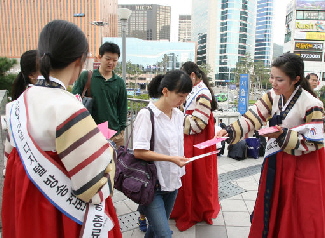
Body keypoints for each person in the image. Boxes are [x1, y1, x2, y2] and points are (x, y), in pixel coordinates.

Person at [2, 20, 121, 238]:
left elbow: (11, 161)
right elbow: (93, 186)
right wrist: (109, 150)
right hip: (58, 216)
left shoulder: (16, 105)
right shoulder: (69, 109)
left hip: (25, 207)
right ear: (79, 60)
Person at [217, 53, 325, 238]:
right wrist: (230, 130)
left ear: (296, 79)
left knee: (297, 209)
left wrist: (282, 134)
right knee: (272, 203)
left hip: (301, 165)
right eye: (272, 77)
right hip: (276, 160)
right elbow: (253, 117)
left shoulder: (312, 104)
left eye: (279, 79)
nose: (273, 82)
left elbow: (315, 142)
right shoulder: (272, 97)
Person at [133, 70, 192, 238]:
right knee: (164, 234)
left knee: (155, 230)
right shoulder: (147, 115)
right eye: (180, 96)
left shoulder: (179, 115)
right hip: (152, 185)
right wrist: (171, 159)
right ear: (165, 91)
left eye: (185, 96)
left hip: (172, 182)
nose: (183, 100)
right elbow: (139, 151)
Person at [170, 61, 220, 231]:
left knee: (196, 177)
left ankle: (194, 210)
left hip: (197, 142)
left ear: (192, 76)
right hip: (192, 140)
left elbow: (198, 124)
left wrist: (176, 118)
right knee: (190, 177)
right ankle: (188, 208)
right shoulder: (197, 91)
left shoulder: (203, 93)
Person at [72, 42, 127, 148]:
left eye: (115, 60)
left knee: (115, 164)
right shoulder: (87, 76)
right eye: (108, 59)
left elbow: (122, 108)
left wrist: (121, 130)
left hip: (114, 135)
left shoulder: (119, 82)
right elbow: (74, 100)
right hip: (90, 133)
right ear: (99, 57)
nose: (111, 63)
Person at [3, 50, 40, 176]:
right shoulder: (21, 105)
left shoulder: (15, 105)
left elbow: (9, 144)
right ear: (32, 75)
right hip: (33, 169)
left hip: (24, 168)